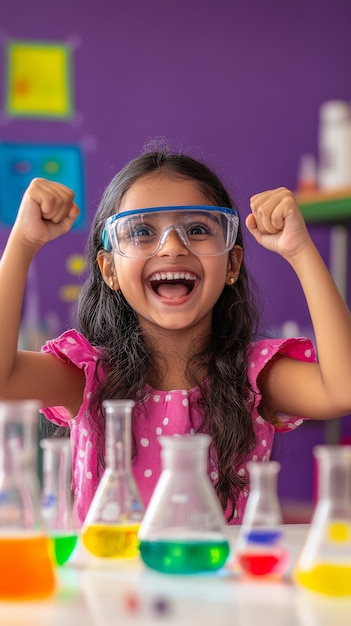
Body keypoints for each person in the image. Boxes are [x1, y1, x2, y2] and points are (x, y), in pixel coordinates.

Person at [1, 143, 351, 527]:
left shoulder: (253, 375)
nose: (172, 246)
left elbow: (343, 390)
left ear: (232, 263)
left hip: (222, 586)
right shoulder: (88, 376)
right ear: (110, 271)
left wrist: (300, 251)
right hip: (109, 586)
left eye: (197, 229)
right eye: (142, 232)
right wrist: (23, 243)